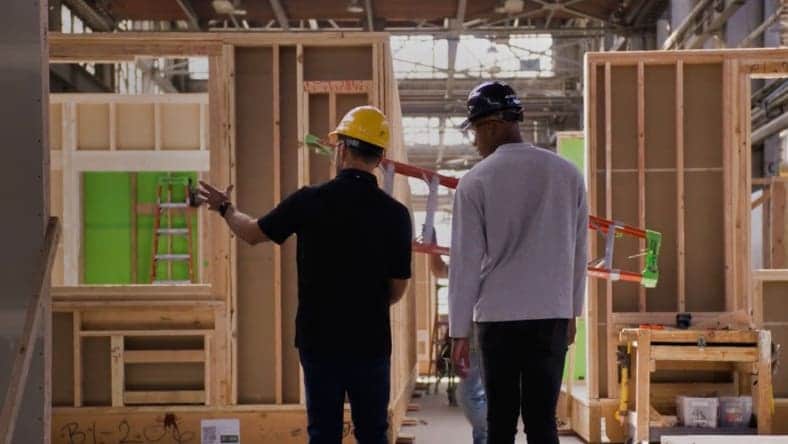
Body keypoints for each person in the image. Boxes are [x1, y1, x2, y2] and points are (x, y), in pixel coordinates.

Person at [197, 105, 413, 444]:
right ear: (380, 157)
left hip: (319, 340)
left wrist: (226, 208)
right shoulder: (395, 215)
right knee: (373, 433)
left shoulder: (309, 200)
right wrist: (365, 304)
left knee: (323, 433)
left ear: (342, 149)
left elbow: (252, 233)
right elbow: (398, 289)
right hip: (370, 341)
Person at [447, 81, 588, 444]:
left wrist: (459, 331)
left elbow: (465, 264)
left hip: (498, 319)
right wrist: (572, 312)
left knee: (500, 422)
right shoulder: (567, 174)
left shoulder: (475, 182)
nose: (475, 142)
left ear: (493, 125)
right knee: (542, 422)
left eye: (476, 131)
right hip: (551, 315)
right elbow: (578, 252)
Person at [429, 252, 488, 444]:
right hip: (470, 335)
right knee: (467, 395)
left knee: (488, 395)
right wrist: (433, 248)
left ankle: (489, 433)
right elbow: (440, 269)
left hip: (497, 333)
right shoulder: (467, 254)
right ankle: (488, 432)